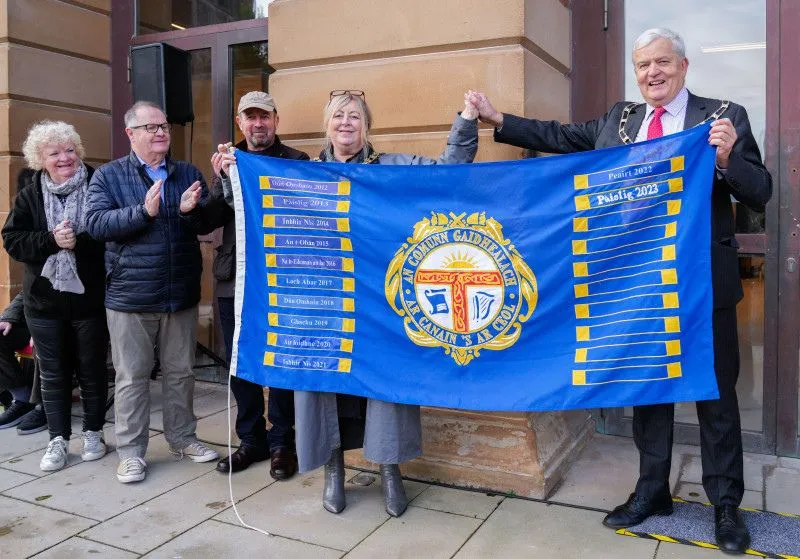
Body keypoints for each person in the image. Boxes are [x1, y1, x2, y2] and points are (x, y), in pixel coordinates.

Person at [468, 27, 771, 555]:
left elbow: (760, 190)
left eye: (661, 63)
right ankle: (652, 490)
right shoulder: (620, 120)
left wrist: (726, 160)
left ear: (683, 66)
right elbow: (562, 137)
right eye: (642, 66)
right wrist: (499, 120)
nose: (651, 73)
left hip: (701, 285)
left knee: (716, 398)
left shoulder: (723, 116)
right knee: (647, 391)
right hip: (635, 284)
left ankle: (725, 506)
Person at [216, 89, 478, 517]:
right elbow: (254, 211)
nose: (346, 122)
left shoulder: (393, 168)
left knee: (386, 386)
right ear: (327, 124)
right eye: (338, 115)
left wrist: (466, 121)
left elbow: (446, 173)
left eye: (354, 116)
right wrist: (233, 176)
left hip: (380, 300)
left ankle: (390, 468)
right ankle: (333, 468)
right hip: (322, 300)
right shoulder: (302, 172)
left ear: (366, 125)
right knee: (324, 387)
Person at [86, 101, 219, 484]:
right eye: (150, 127)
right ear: (131, 134)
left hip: (179, 293)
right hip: (131, 297)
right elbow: (95, 224)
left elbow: (205, 221)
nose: (160, 132)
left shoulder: (187, 172)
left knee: (181, 373)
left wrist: (192, 211)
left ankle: (182, 438)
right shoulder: (109, 177)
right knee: (132, 377)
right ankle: (131, 453)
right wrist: (142, 213)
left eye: (164, 125)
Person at [207, 91, 309, 479]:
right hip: (235, 281)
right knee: (241, 366)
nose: (257, 124)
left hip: (283, 279)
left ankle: (283, 439)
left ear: (276, 120)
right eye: (249, 118)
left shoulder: (297, 162)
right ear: (240, 123)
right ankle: (252, 440)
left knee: (281, 361)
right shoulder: (227, 162)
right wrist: (221, 181)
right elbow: (207, 220)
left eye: (263, 117)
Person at [2, 121, 109, 471]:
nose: (65, 158)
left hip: (89, 301)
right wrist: (51, 240)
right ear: (40, 159)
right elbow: (13, 240)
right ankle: (57, 440)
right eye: (54, 153)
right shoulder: (29, 194)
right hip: (43, 305)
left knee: (92, 371)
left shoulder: (98, 185)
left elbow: (113, 234)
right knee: (53, 374)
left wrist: (79, 241)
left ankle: (93, 432)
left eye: (70, 150)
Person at [0, 293, 41, 430]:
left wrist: (43, 328)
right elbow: (26, 292)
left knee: (45, 341)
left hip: (63, 322)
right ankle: (22, 398)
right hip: (34, 320)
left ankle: (44, 405)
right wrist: (9, 317)